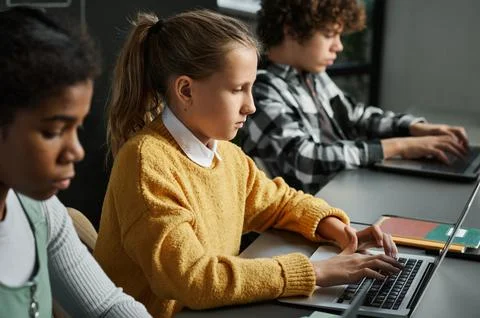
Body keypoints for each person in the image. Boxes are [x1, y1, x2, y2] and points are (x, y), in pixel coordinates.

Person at [93, 9, 402, 318]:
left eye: (251, 87)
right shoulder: (145, 162)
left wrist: (338, 230)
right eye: (238, 89)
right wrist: (315, 272)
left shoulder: (224, 153)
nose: (251, 105)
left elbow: (279, 203)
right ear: (186, 90)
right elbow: (193, 280)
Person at [0, 7, 151, 317]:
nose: (76, 151)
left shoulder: (39, 210)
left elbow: (106, 307)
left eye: (76, 128)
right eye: (54, 131)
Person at [240, 0, 469, 194]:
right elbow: (306, 161)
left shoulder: (312, 76)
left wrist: (414, 128)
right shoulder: (262, 89)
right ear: (291, 30)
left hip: (343, 191)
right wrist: (401, 146)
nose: (338, 46)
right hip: (309, 213)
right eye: (330, 34)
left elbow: (355, 115)